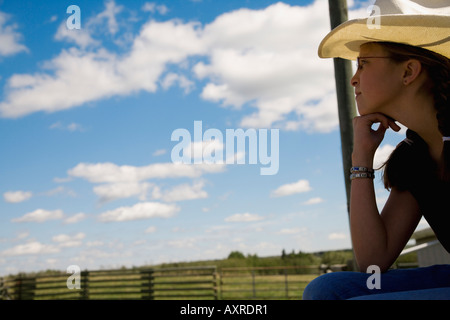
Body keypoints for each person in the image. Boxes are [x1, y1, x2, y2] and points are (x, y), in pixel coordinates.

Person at [303, 0, 450, 300]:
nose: (354, 78)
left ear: (408, 71)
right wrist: (362, 157)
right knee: (327, 289)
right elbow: (373, 261)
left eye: (364, 64)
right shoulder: (415, 157)